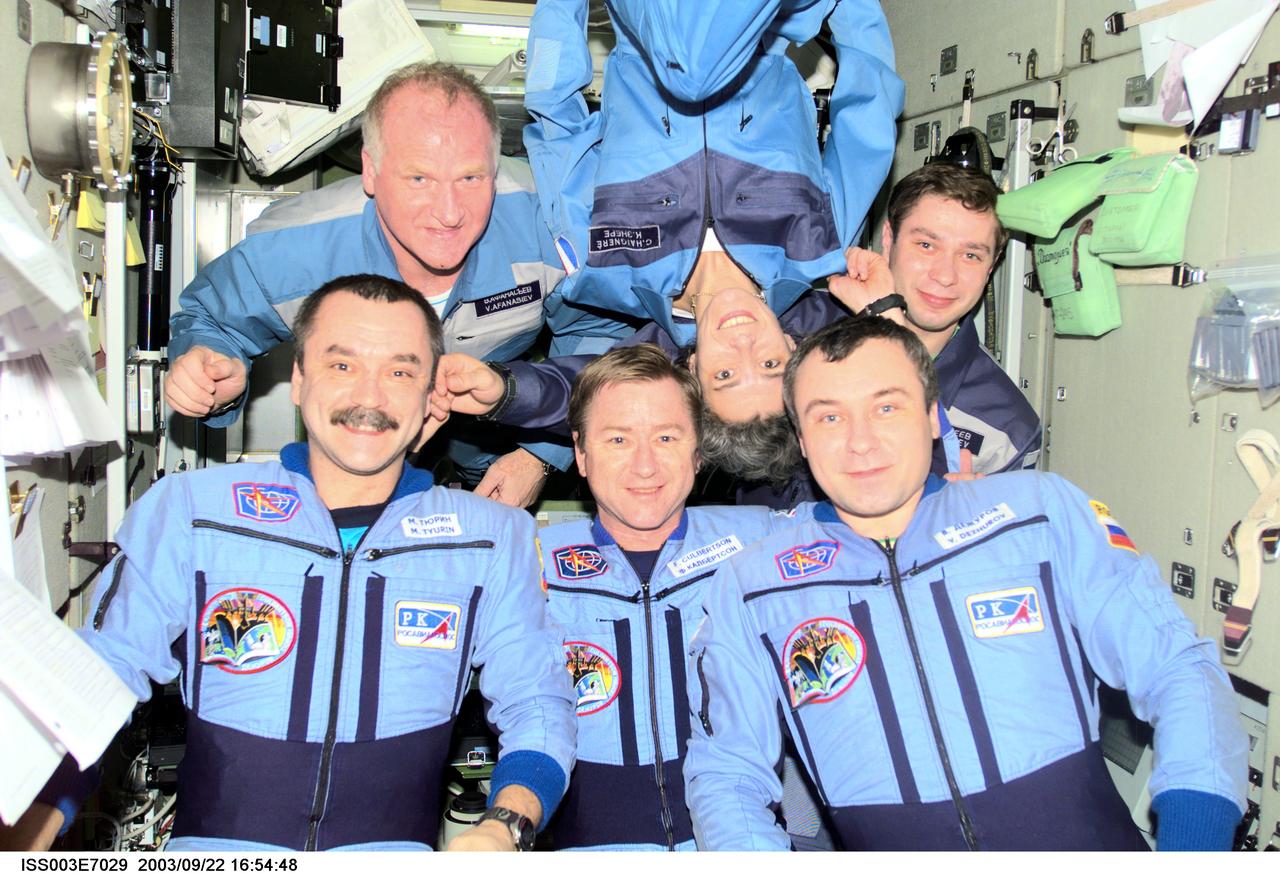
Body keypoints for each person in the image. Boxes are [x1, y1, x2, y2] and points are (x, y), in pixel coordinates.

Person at [28, 275, 576, 851]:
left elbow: (538, 702)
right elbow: (102, 673)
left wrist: (506, 825)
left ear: (429, 397)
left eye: (400, 372)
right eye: (342, 365)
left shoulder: (492, 538)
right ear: (297, 380)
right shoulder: (191, 511)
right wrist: (37, 812)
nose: (369, 397)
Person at [683, 315, 1248, 850]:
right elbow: (727, 775)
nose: (860, 441)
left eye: (886, 407)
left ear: (933, 416)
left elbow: (1178, 668)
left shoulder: (1038, 514)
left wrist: (1193, 845)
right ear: (803, 439)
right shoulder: (753, 588)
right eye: (829, 417)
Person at [163, 62, 568, 507]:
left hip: (494, 418)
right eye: (419, 178)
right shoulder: (295, 249)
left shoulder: (548, 220)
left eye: (470, 178)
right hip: (364, 428)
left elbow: (599, 333)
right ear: (370, 171)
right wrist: (209, 374)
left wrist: (539, 457)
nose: (449, 212)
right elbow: (212, 320)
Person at [523, 0, 903, 452]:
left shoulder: (603, 268)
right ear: (791, 346)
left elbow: (555, 121)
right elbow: (870, 115)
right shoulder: (819, 244)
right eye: (769, 364)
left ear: (692, 370)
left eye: (725, 374)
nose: (743, 343)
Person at [536, 344, 787, 850]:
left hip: (740, 840)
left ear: (699, 451)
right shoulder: (530, 564)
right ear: (580, 454)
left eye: (667, 437)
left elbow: (882, 518)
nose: (645, 466)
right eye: (618, 439)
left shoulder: (764, 541)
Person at [832, 162, 1041, 476]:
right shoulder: (799, 332)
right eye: (926, 245)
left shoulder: (1007, 429)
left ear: (992, 265)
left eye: (970, 255)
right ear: (888, 239)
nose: (945, 276)